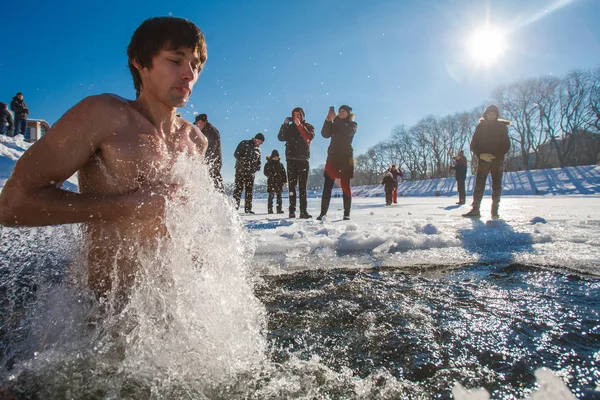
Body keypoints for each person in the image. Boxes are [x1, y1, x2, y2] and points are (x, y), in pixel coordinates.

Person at [0, 17, 208, 296]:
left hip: (175, 306)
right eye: (175, 61)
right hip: (102, 313)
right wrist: (127, 207)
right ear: (139, 62)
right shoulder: (105, 114)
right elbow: (13, 205)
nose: (189, 74)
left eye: (195, 66)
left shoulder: (195, 140)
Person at [463, 104, 511, 219]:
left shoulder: (502, 127)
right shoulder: (481, 127)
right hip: (483, 160)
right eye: (489, 114)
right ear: (486, 114)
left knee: (496, 185)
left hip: (497, 160)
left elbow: (506, 145)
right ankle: (475, 209)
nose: (491, 116)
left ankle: (495, 211)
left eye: (493, 114)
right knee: (479, 184)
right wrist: (481, 155)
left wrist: (497, 155)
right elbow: (474, 144)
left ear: (496, 115)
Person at [317, 105, 357, 221]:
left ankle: (346, 213)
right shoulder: (335, 123)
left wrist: (336, 119)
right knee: (327, 186)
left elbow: (348, 132)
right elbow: (325, 134)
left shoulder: (352, 125)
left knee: (345, 186)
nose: (341, 112)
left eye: (343, 111)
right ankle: (323, 213)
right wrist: (328, 120)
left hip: (346, 159)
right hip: (332, 158)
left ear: (348, 113)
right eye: (339, 111)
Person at [277, 107, 315, 218]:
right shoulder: (289, 127)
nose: (296, 117)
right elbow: (281, 137)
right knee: (292, 187)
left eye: (299, 115)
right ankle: (292, 211)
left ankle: (303, 211)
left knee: (303, 187)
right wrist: (284, 125)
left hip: (303, 159)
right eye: (294, 115)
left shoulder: (308, 126)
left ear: (302, 116)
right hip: (291, 159)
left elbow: (309, 136)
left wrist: (300, 125)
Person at [233, 133, 264, 214]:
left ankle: (248, 209)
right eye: (261, 142)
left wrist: (258, 167)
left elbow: (259, 161)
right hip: (241, 171)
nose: (261, 144)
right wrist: (245, 165)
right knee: (238, 189)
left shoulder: (258, 149)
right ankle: (234, 208)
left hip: (251, 173)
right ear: (256, 139)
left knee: (249, 191)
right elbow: (236, 154)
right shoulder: (244, 143)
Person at [194, 113, 223, 191]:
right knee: (209, 184)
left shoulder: (211, 131)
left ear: (203, 122)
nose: (197, 126)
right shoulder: (205, 131)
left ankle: (222, 200)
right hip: (209, 162)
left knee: (216, 184)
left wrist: (205, 160)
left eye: (198, 123)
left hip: (213, 162)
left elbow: (211, 148)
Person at [263, 149, 287, 214]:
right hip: (271, 182)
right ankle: (270, 209)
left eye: (277, 156)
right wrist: (271, 175)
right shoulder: (268, 164)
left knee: (279, 196)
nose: (276, 157)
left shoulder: (280, 164)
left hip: (279, 182)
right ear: (272, 156)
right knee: (271, 195)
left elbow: (284, 173)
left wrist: (285, 181)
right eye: (275, 156)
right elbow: (265, 172)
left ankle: (279, 209)